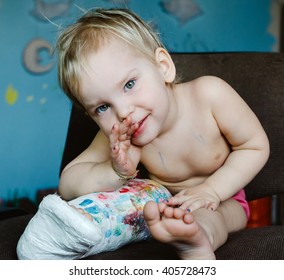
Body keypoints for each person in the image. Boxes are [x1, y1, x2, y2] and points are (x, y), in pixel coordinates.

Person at [56, 8, 270, 259]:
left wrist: (211, 190)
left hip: (224, 196)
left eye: (129, 84)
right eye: (102, 107)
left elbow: (254, 146)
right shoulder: (120, 136)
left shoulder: (209, 95)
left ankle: (198, 241)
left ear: (163, 66)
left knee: (213, 216)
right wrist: (114, 170)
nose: (123, 112)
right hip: (159, 205)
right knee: (126, 211)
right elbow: (68, 183)